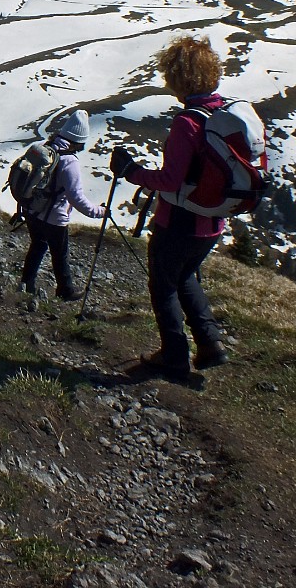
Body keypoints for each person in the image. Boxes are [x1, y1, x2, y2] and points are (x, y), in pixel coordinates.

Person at [110, 34, 230, 381]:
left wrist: (132, 171)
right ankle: (210, 344)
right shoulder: (223, 114)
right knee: (185, 276)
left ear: (178, 78)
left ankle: (174, 357)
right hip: (212, 223)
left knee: (163, 286)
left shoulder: (187, 123)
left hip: (179, 221)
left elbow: (171, 180)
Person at [21, 109, 107, 302]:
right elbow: (76, 198)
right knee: (60, 255)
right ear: (79, 140)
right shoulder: (70, 162)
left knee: (37, 246)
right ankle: (65, 290)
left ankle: (26, 283)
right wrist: (100, 212)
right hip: (54, 217)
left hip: (32, 210)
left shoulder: (42, 147)